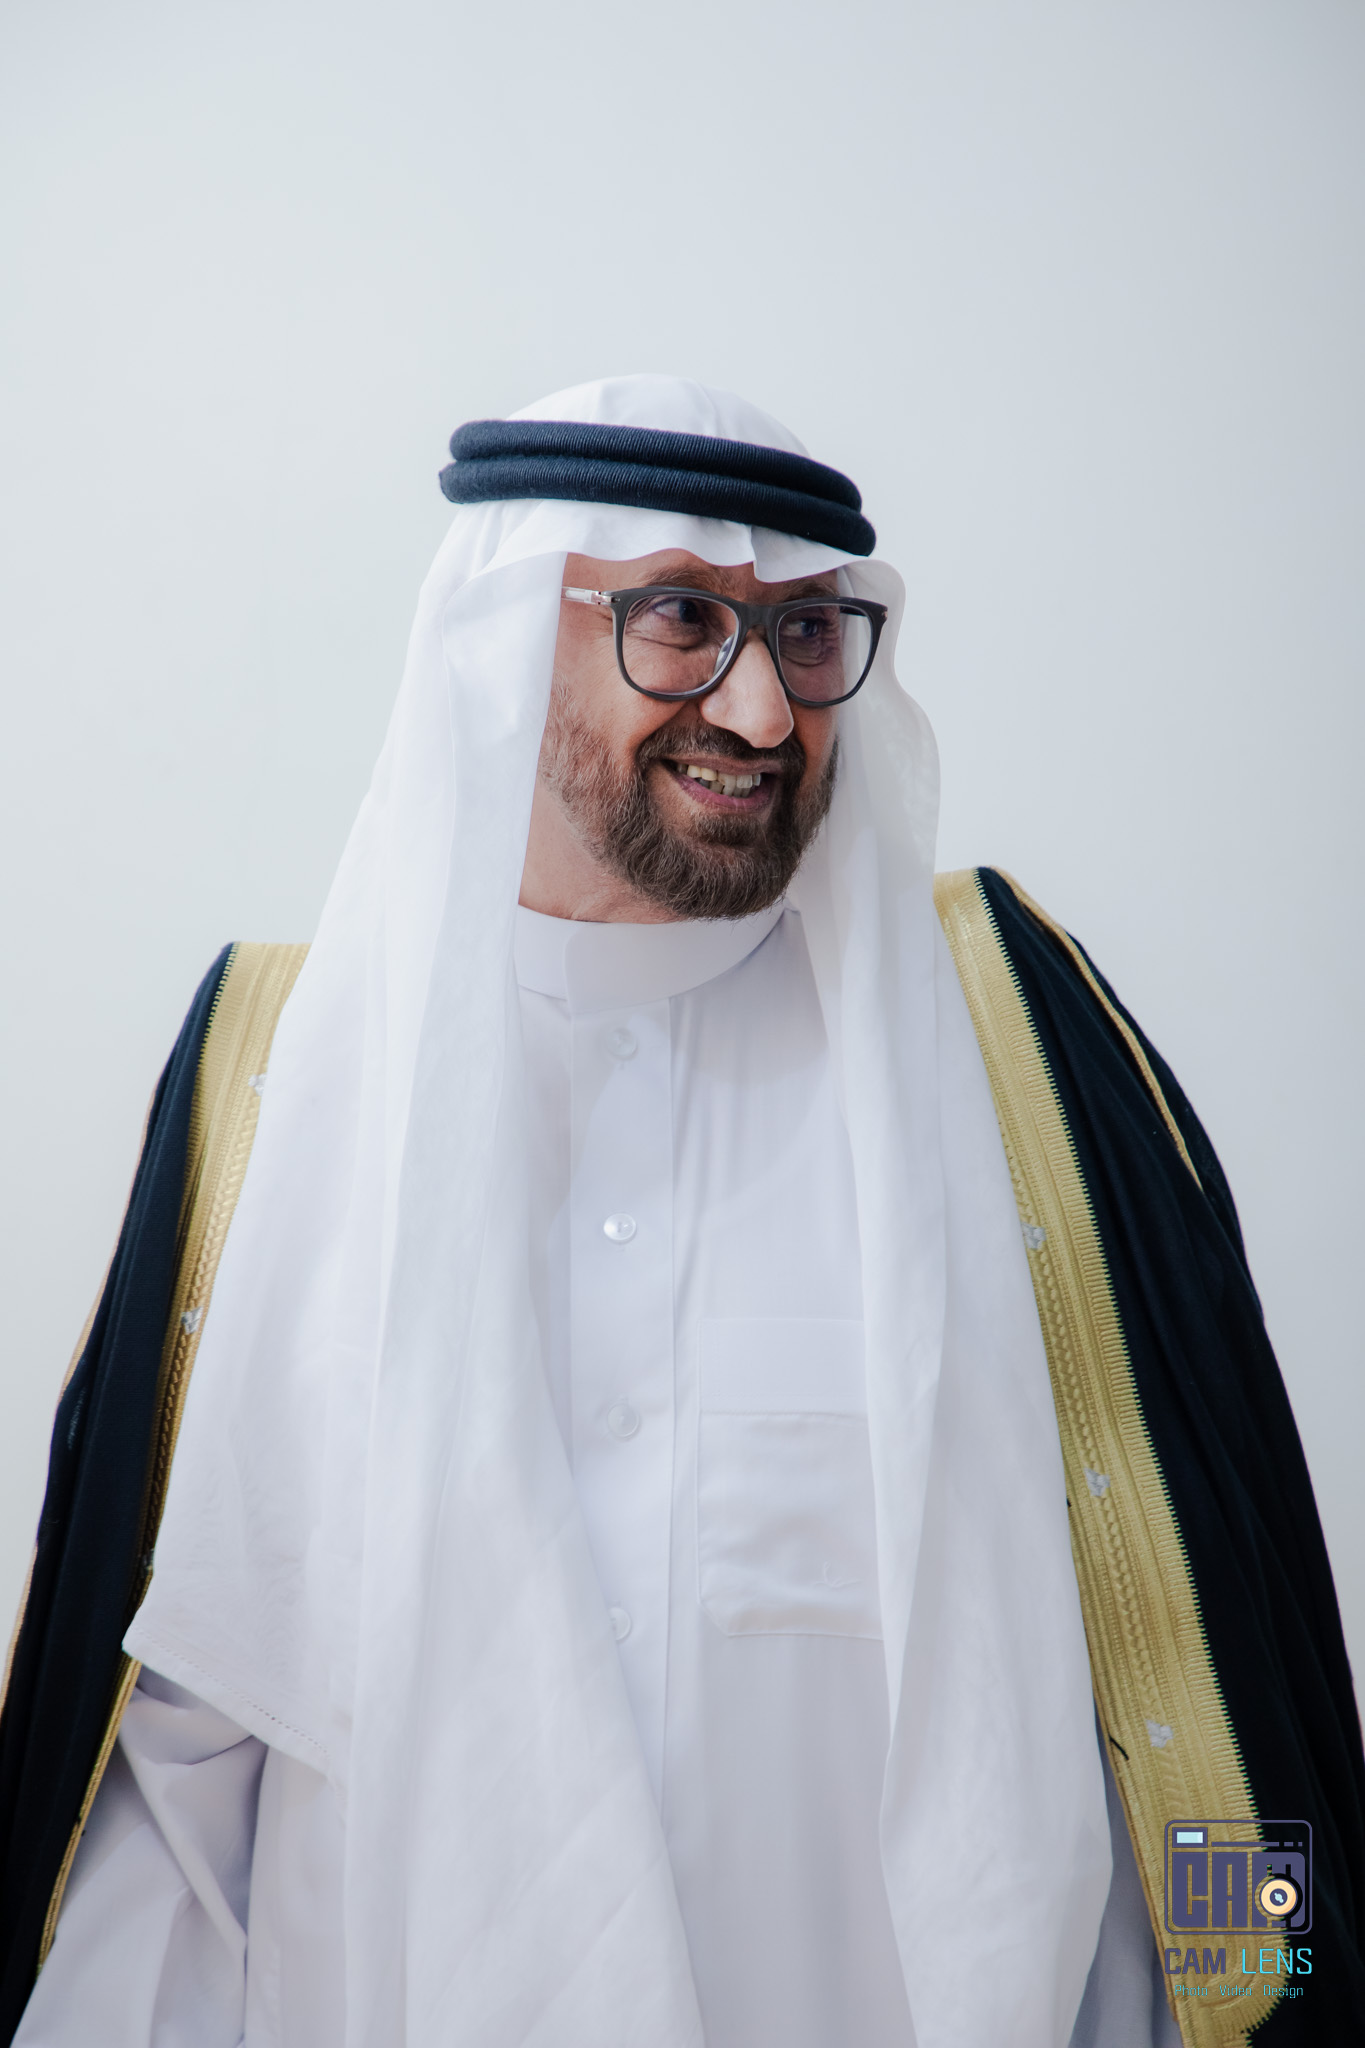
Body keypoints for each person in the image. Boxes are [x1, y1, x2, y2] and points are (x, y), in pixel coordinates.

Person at [0, 376, 1360, 2048]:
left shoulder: (1007, 1057)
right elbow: (177, 1778)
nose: (764, 709)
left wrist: (1278, 2003)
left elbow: (1204, 1698)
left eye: (803, 632)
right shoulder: (281, 1084)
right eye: (681, 621)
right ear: (508, 634)